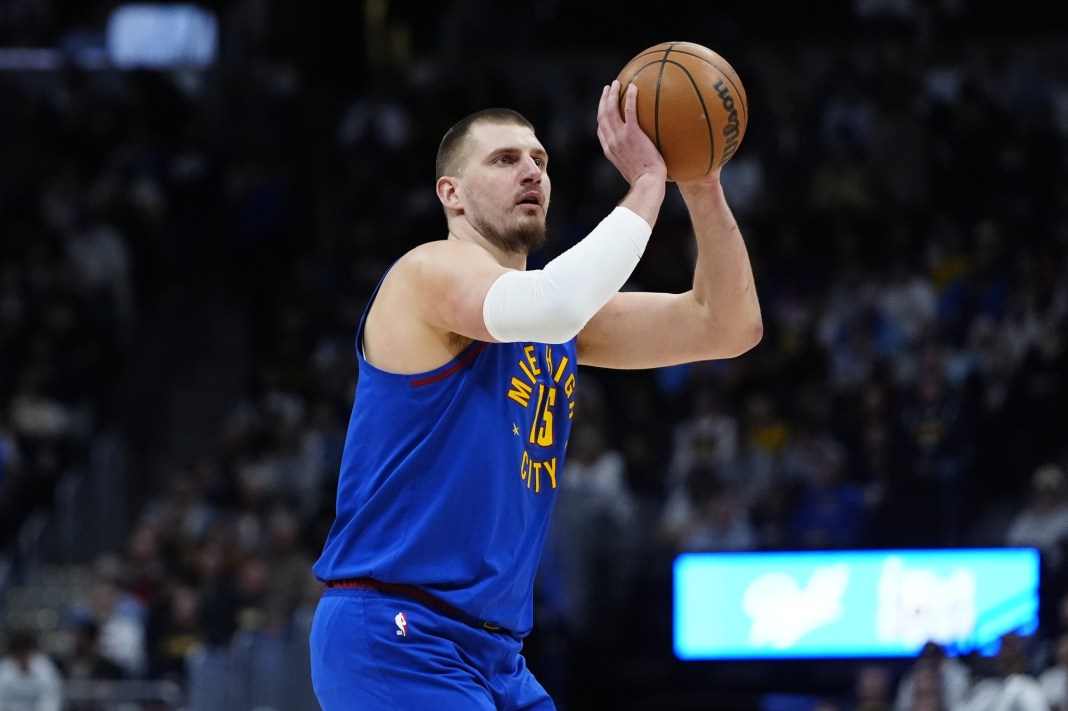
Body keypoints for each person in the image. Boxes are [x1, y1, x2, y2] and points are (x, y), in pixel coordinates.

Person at [308, 79, 763, 710]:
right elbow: (554, 302)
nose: (531, 171)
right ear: (452, 194)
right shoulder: (427, 273)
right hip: (397, 631)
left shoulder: (558, 322)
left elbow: (729, 326)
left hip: (495, 653)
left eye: (540, 161)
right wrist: (648, 182)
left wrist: (700, 178)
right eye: (504, 159)